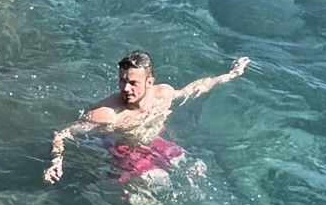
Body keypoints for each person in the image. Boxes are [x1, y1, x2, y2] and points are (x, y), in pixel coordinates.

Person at [44, 50, 250, 196]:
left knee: (196, 169)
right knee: (159, 187)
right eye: (122, 81)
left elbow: (194, 89)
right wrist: (56, 162)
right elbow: (62, 132)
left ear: (150, 83)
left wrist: (231, 75)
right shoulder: (107, 114)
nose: (126, 89)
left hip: (155, 141)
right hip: (124, 151)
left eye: (133, 83)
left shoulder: (163, 94)